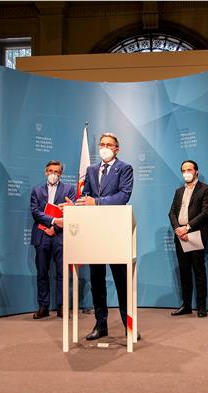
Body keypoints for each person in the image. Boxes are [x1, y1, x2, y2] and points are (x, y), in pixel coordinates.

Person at [66, 132, 134, 340]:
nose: (104, 147)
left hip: (114, 231)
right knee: (97, 280)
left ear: (116, 149)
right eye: (102, 144)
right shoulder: (91, 169)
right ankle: (100, 324)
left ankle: (128, 326)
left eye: (109, 144)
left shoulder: (125, 168)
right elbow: (85, 195)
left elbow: (124, 195)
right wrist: (77, 204)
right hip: (94, 233)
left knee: (122, 281)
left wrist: (97, 202)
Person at [30, 160, 76, 319]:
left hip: (60, 236)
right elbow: (35, 212)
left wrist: (55, 227)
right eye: (50, 171)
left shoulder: (69, 189)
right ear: (45, 172)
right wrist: (53, 221)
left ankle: (62, 306)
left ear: (61, 174)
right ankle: (43, 307)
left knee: (62, 273)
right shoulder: (36, 190)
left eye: (56, 172)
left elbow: (70, 211)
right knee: (42, 272)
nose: (53, 174)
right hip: (41, 235)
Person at [168, 160, 208, 318]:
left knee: (199, 271)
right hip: (180, 236)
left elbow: (205, 213)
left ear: (196, 172)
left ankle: (201, 307)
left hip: (195, 235)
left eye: (189, 169)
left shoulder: (205, 189)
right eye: (183, 170)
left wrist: (187, 228)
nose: (186, 172)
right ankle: (186, 305)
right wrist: (178, 229)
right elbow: (172, 212)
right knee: (184, 272)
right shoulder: (179, 191)